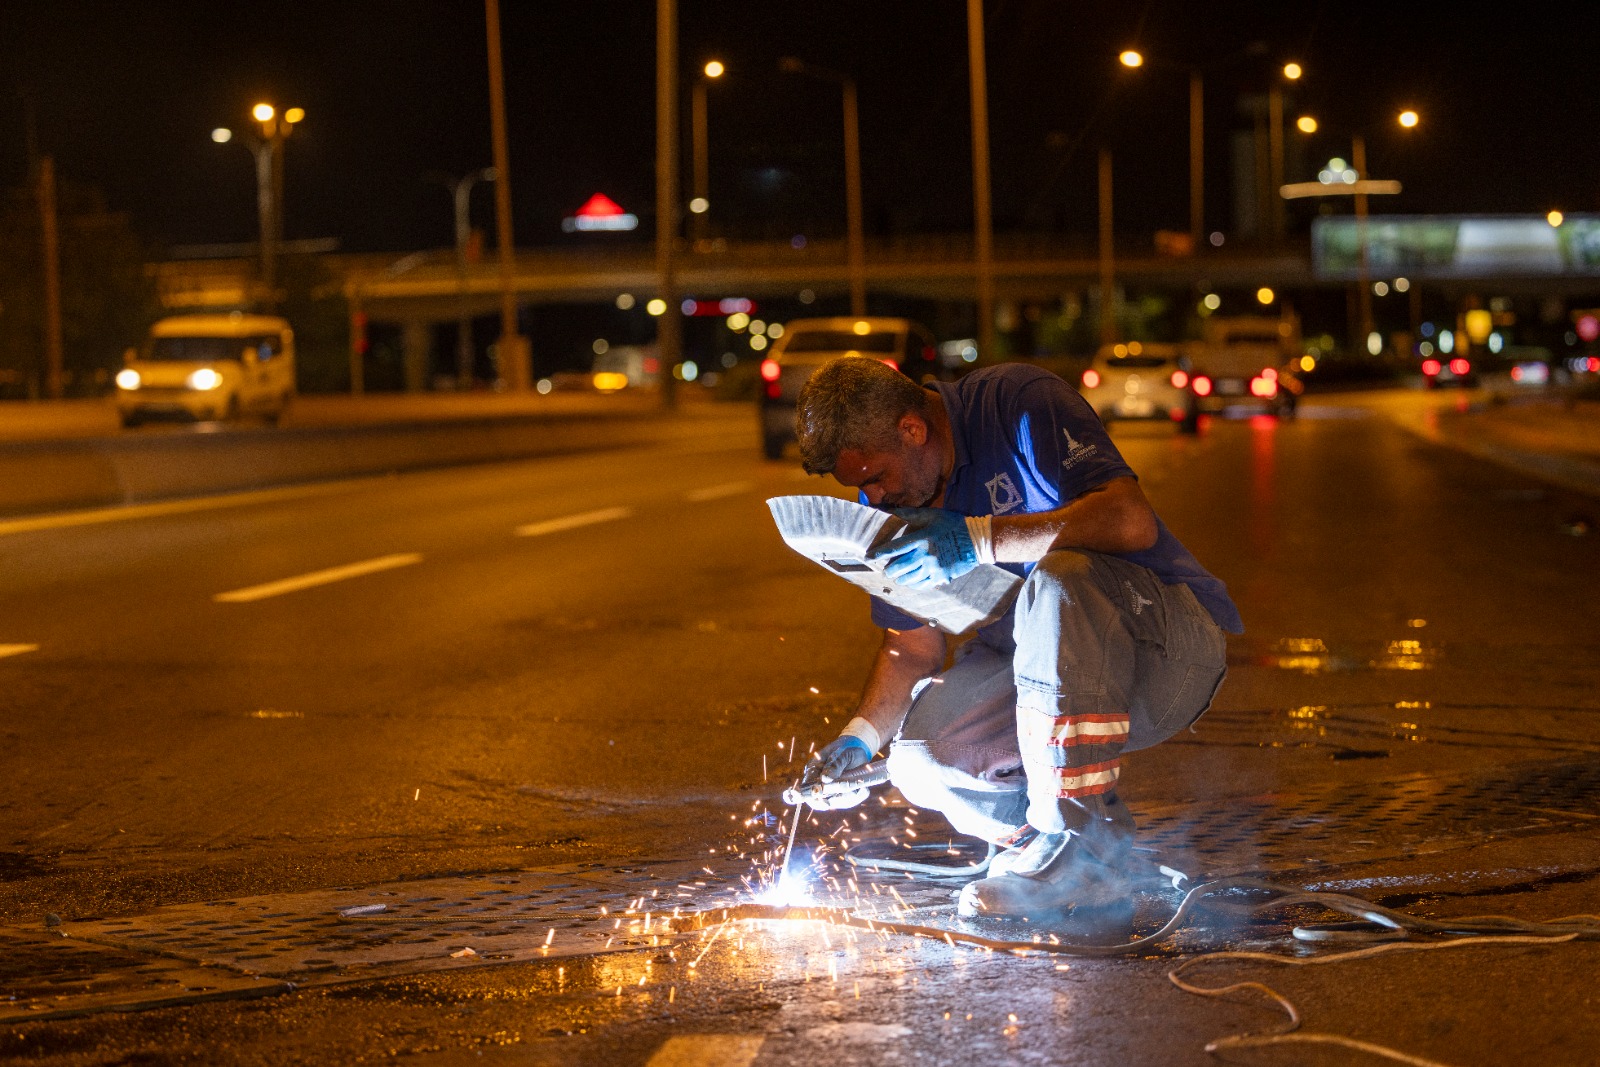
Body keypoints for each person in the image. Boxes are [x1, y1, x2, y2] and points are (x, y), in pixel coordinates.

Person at [793, 356, 1241, 921]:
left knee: (1060, 577)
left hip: (1164, 654)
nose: (874, 497)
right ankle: (1054, 847)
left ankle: (1080, 848)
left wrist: (979, 539)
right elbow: (912, 648)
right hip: (1043, 674)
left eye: (876, 477)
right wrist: (858, 740)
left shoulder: (1017, 402)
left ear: (913, 429)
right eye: (862, 487)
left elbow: (1130, 520)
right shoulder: (892, 503)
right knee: (920, 760)